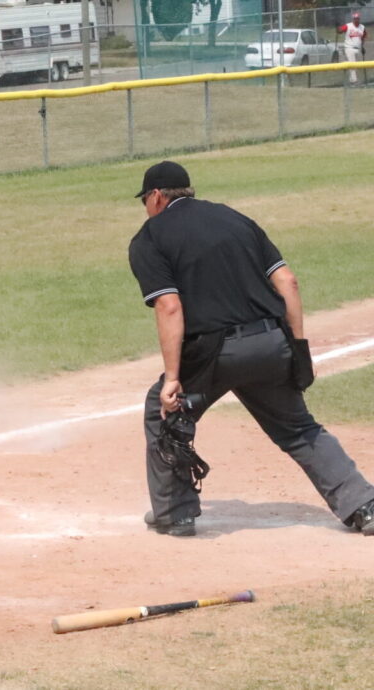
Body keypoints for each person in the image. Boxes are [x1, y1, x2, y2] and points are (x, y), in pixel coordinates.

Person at [128, 160, 374, 537]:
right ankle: (363, 506)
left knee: (163, 413)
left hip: (212, 354)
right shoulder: (235, 219)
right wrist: (298, 349)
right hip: (270, 344)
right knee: (298, 428)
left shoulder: (150, 236)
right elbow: (288, 282)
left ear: (157, 196)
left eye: (145, 199)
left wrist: (173, 379)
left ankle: (176, 513)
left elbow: (170, 306)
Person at [337, 12, 367, 85]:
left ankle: (344, 64)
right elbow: (340, 31)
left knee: (355, 64)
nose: (356, 20)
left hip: (358, 48)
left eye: (357, 18)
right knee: (353, 64)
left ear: (359, 19)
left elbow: (363, 37)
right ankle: (354, 81)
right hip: (349, 48)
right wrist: (338, 28)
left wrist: (363, 47)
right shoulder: (348, 26)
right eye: (355, 18)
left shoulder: (362, 27)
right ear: (353, 19)